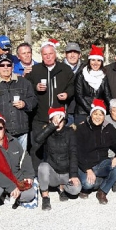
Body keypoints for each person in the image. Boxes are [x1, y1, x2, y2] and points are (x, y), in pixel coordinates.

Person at [25, 39, 75, 168]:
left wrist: (67, 94)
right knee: (37, 147)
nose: (48, 57)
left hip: (58, 117)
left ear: (55, 54)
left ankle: (57, 174)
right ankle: (37, 175)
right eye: (45, 54)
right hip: (40, 117)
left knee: (59, 147)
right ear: (41, 56)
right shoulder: (35, 70)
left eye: (50, 54)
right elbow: (26, 86)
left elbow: (72, 86)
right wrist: (35, 87)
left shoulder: (65, 69)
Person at [0, 54, 37, 152]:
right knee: (3, 162)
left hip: (21, 130)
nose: (5, 67)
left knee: (20, 161)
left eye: (8, 65)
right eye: (2, 65)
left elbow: (34, 100)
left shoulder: (24, 82)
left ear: (13, 67)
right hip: (1, 131)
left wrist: (25, 104)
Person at [75, 99, 116, 204]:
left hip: (101, 163)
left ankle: (102, 191)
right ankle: (89, 185)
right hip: (85, 164)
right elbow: (77, 152)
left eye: (101, 114)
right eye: (95, 114)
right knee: (88, 184)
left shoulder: (108, 128)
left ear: (104, 117)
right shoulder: (82, 128)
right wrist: (88, 170)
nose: (98, 117)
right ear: (91, 115)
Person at [33, 108, 81, 210]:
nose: (58, 123)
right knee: (43, 166)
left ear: (64, 121)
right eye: (55, 121)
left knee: (76, 190)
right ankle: (45, 196)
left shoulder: (70, 132)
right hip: (53, 173)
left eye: (60, 121)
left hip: (66, 172)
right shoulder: (47, 132)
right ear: (50, 121)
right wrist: (51, 126)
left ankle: (62, 188)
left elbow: (73, 153)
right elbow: (37, 139)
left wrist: (74, 175)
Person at [74, 45, 113, 125]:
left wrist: (114, 108)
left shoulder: (103, 76)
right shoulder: (82, 74)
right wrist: (91, 110)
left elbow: (107, 95)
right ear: (89, 61)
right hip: (83, 112)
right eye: (93, 60)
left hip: (98, 111)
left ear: (101, 62)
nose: (95, 63)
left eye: (98, 60)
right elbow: (79, 96)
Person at [63, 42, 83, 125]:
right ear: (65, 54)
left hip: (82, 111)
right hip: (65, 111)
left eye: (75, 52)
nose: (72, 55)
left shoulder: (85, 68)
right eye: (69, 52)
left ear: (80, 55)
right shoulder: (59, 68)